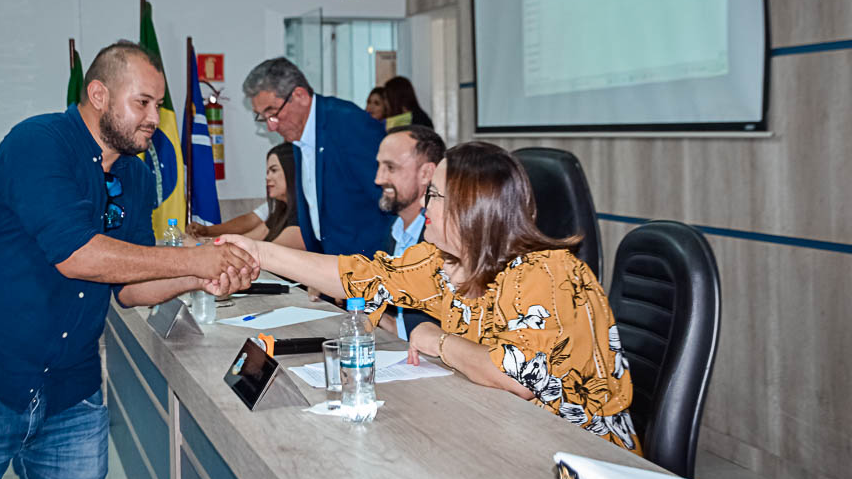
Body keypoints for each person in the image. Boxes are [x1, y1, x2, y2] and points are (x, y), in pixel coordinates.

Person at [0, 42, 257, 479]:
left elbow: (130, 290)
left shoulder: (134, 174)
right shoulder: (38, 142)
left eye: (158, 104)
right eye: (142, 102)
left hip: (70, 396)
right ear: (98, 95)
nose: (154, 118)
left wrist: (201, 274)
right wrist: (195, 257)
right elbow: (78, 256)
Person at [221, 142, 639, 453]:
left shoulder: (546, 272)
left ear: (469, 207)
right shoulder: (445, 264)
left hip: (581, 458)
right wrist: (259, 252)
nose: (423, 205)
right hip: (504, 437)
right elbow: (362, 275)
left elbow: (517, 376)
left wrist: (436, 339)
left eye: (434, 195)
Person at [242, 57, 391, 256]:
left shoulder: (348, 124)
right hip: (330, 267)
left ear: (300, 95)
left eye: (273, 112)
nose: (271, 126)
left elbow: (389, 198)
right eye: (263, 117)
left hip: (369, 264)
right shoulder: (299, 136)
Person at [373, 125, 445, 340]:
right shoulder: (393, 228)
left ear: (426, 174)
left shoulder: (444, 240)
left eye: (391, 168)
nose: (378, 179)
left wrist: (388, 323)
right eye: (379, 166)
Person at [188, 143, 304, 249]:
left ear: (292, 172)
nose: (267, 178)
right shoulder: (279, 212)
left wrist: (201, 244)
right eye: (267, 172)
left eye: (274, 170)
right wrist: (199, 242)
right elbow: (249, 238)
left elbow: (264, 252)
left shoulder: (301, 220)